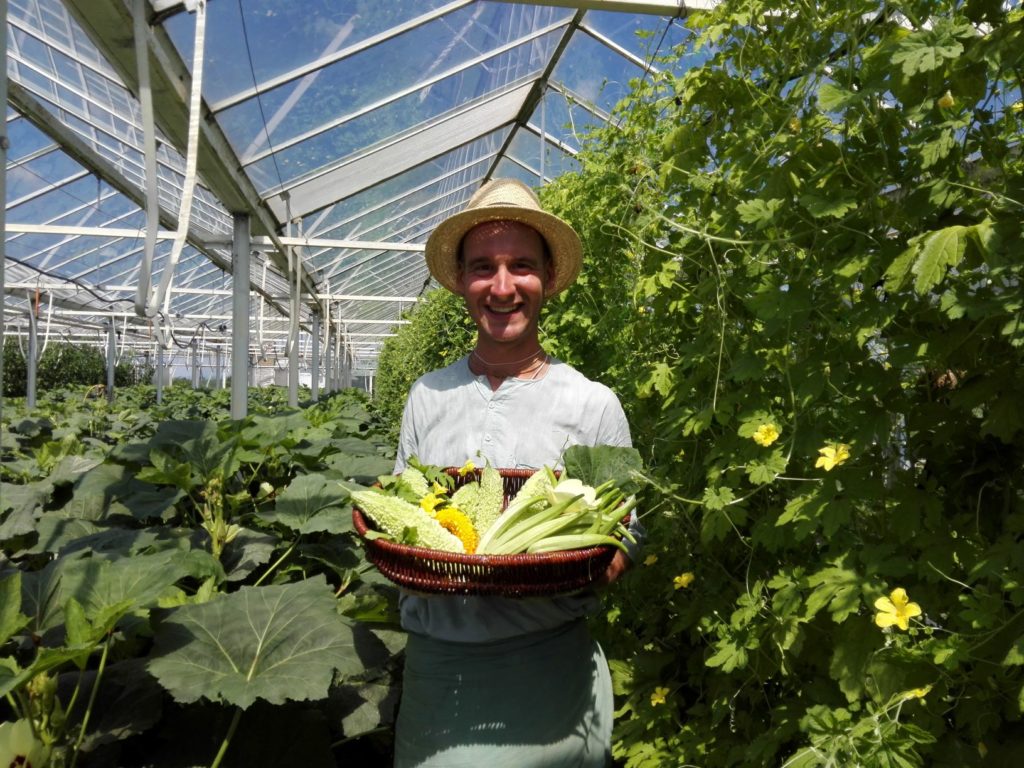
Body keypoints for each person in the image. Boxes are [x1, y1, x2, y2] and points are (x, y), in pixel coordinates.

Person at [392, 178, 640, 767]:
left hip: (549, 673)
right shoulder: (428, 396)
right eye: (483, 267)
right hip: (439, 670)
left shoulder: (591, 404)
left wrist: (588, 565)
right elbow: (403, 510)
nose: (502, 287)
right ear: (461, 280)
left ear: (548, 278)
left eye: (521, 266)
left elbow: (628, 533)